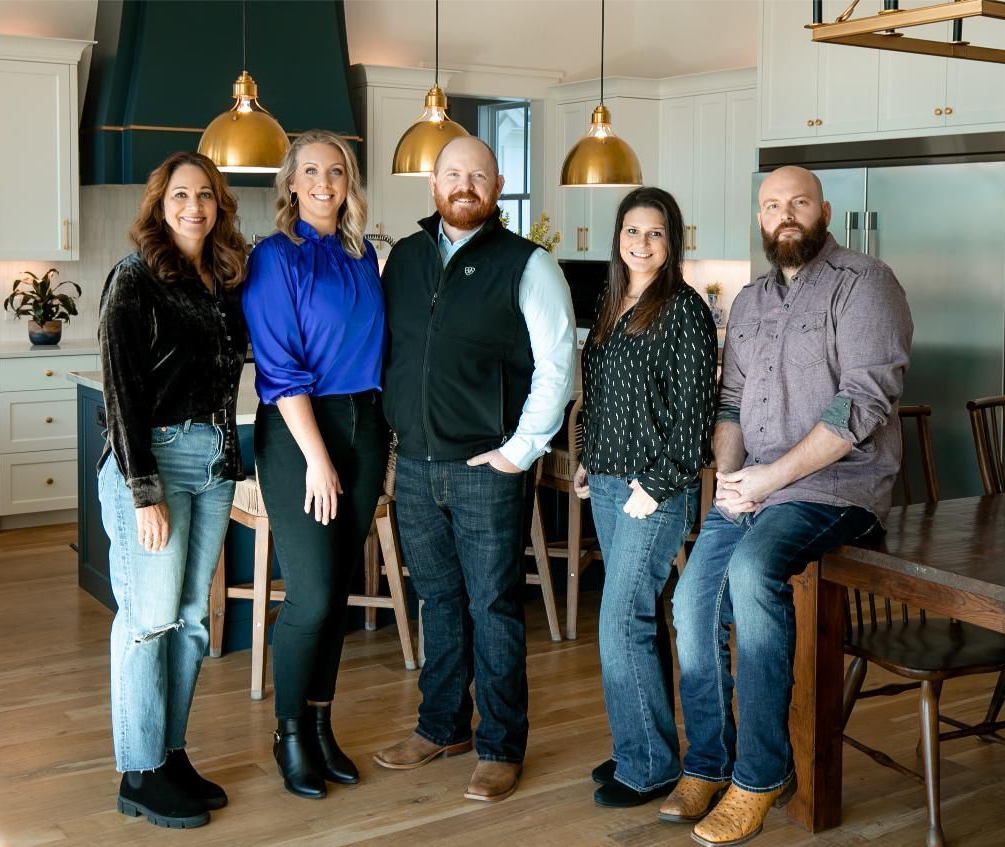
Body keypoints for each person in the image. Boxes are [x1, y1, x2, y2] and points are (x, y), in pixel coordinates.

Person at [672, 165, 913, 846]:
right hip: (756, 486)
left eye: (798, 203)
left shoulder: (866, 284)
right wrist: (729, 479)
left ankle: (761, 774)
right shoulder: (749, 301)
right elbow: (730, 405)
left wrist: (770, 477)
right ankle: (708, 762)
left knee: (750, 572)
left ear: (824, 210)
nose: (785, 215)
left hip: (839, 488)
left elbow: (861, 402)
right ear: (760, 216)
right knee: (690, 601)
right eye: (772, 205)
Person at [372, 136, 576, 804]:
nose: (465, 184)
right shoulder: (402, 259)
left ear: (497, 185)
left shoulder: (528, 263)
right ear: (433, 185)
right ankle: (441, 726)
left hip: (487, 465)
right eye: (453, 174)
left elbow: (557, 367)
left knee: (491, 605)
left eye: (478, 175)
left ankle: (499, 745)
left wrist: (521, 449)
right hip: (416, 461)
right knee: (438, 599)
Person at [98, 151, 248, 829]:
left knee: (189, 619)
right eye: (181, 195)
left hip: (214, 464)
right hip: (152, 461)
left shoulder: (221, 280)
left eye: (206, 196)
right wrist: (143, 489)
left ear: (220, 206)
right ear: (160, 205)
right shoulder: (133, 280)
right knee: (147, 618)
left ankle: (171, 751)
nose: (194, 206)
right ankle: (139, 771)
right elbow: (120, 389)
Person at [240, 130, 389, 800]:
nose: (325, 182)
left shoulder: (365, 257)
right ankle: (289, 731)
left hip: (366, 424)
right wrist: (319, 459)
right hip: (303, 433)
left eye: (337, 171)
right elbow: (279, 367)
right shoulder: (275, 257)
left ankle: (323, 724)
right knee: (313, 593)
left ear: (349, 183)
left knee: (339, 591)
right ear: (291, 184)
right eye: (311, 172)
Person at [571, 187, 717, 810]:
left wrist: (654, 486)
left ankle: (650, 766)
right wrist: (584, 458)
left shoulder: (683, 310)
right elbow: (596, 391)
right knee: (638, 623)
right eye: (633, 231)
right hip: (606, 482)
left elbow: (694, 415)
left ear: (672, 240)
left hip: (650, 492)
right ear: (618, 238)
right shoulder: (612, 302)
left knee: (618, 625)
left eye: (655, 233)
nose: (642, 242)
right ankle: (646, 747)